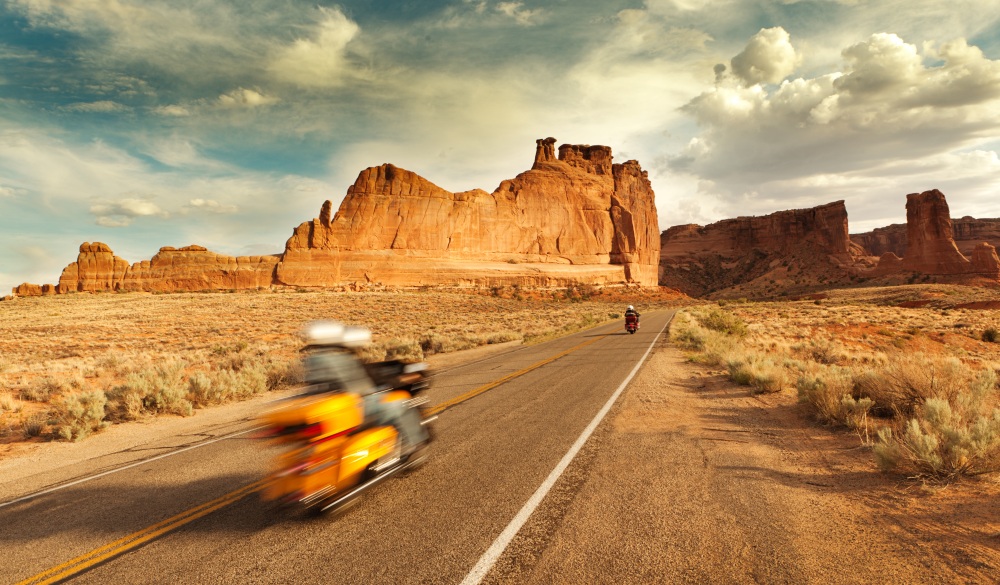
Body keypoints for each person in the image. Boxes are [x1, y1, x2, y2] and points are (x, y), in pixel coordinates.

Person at [301, 321, 429, 456]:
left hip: (332, 406)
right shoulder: (339, 358)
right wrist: (394, 382)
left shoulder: (312, 359)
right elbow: (360, 386)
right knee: (403, 405)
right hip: (358, 406)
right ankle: (413, 445)